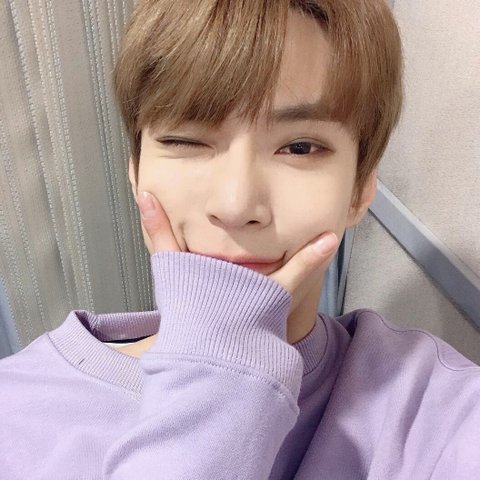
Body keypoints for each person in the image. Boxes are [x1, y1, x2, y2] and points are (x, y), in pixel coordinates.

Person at [1, 0, 479, 478]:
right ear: (135, 173)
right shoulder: (18, 412)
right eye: (186, 140)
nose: (235, 206)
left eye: (300, 147)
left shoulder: (435, 409)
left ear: (359, 190)